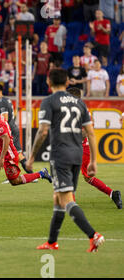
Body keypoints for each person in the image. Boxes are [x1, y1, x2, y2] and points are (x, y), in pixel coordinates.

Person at [26, 68, 104, 252]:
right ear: (67, 82)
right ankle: (52, 242)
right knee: (58, 198)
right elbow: (91, 133)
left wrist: (31, 157)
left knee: (65, 198)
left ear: (48, 82)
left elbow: (43, 131)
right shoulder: (79, 103)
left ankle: (93, 235)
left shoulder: (49, 101)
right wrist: (94, 160)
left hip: (60, 156)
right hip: (77, 155)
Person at [0, 100, 52, 203]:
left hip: (8, 154)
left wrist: (1, 158)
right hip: (0, 151)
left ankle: (41, 173)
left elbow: (6, 139)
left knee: (15, 181)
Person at [66, 87, 121, 209]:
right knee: (86, 177)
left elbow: (86, 132)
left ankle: (72, 203)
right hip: (78, 146)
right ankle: (113, 193)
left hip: (80, 146)